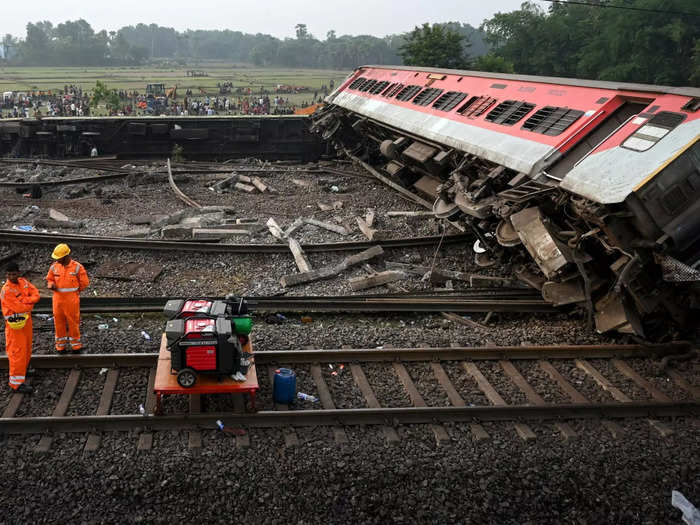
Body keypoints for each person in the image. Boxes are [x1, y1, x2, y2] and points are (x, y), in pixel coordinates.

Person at [1, 262, 40, 393]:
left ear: (18, 273)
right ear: (6, 275)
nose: (11, 276)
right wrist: (29, 302)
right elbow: (19, 307)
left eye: (14, 273)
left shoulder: (23, 282)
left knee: (27, 347)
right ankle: (16, 384)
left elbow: (36, 294)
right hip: (14, 326)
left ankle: (24, 370)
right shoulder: (6, 290)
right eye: (9, 274)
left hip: (25, 322)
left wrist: (25, 300)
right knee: (17, 352)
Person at [46, 244, 89, 354]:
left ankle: (76, 346)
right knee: (58, 323)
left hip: (71, 300)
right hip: (57, 300)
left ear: (65, 256)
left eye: (58, 257)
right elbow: (49, 279)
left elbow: (84, 283)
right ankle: (60, 347)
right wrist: (51, 285)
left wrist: (75, 292)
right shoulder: (54, 267)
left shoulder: (77, 267)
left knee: (73, 323)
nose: (56, 259)